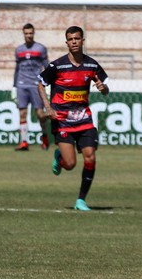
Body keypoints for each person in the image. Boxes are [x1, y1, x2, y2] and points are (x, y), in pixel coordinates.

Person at [37, 25, 109, 211]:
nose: (74, 42)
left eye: (77, 38)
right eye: (70, 39)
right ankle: (60, 156)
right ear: (66, 42)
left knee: (90, 157)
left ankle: (81, 200)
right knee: (70, 164)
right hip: (62, 120)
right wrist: (48, 106)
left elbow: (105, 87)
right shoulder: (57, 65)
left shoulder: (92, 65)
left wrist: (104, 89)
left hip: (84, 119)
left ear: (83, 40)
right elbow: (40, 84)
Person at [11, 23, 49, 151]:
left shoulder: (40, 49)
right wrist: (14, 86)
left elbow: (47, 67)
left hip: (35, 85)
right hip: (22, 85)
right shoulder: (19, 50)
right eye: (26, 33)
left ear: (34, 33)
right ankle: (24, 142)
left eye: (30, 33)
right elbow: (17, 69)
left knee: (39, 114)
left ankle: (44, 137)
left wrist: (47, 84)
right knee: (22, 113)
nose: (28, 36)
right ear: (23, 34)